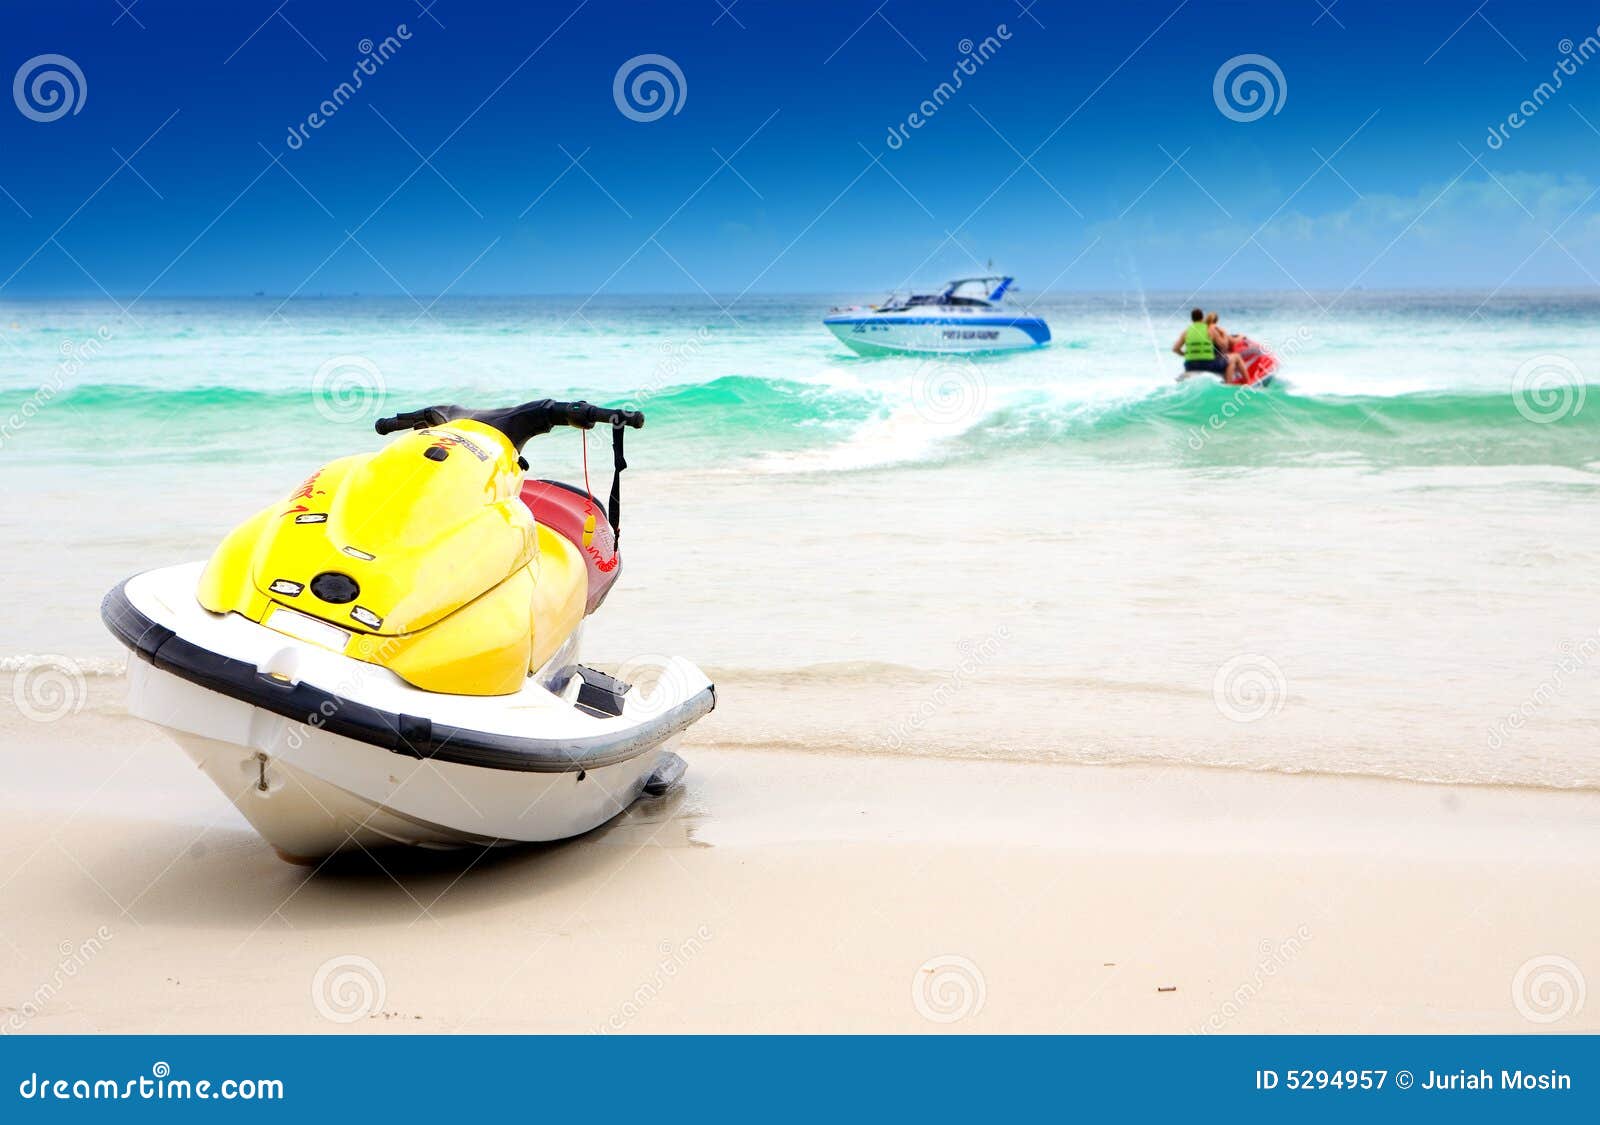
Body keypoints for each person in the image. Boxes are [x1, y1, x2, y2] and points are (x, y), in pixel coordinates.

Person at [1173, 308, 1227, 379]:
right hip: (1207, 364)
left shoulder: (1186, 331)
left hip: (1190, 365)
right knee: (1228, 360)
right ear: (1202, 317)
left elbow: (1175, 349)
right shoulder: (1209, 329)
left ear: (1192, 319)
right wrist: (1224, 334)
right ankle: (1228, 383)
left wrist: (1184, 354)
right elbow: (1223, 345)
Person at [1205, 312, 1248, 384]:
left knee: (1227, 357)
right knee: (1235, 357)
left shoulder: (1203, 329)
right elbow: (1230, 342)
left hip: (1203, 360)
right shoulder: (1215, 329)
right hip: (1213, 361)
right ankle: (1246, 382)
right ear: (1216, 321)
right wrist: (1241, 337)